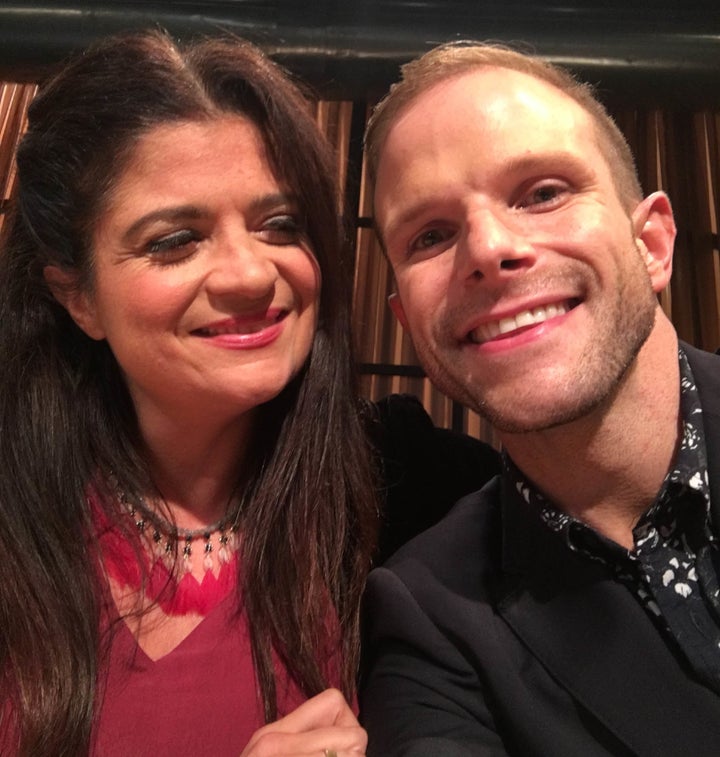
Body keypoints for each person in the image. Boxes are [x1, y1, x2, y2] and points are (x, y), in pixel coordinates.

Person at [0, 31, 500, 756]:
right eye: (175, 240)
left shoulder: (413, 493)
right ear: (77, 297)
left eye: (280, 226)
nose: (249, 273)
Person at [360, 41, 720, 756]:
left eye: (543, 191)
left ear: (651, 241)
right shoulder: (429, 617)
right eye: (431, 234)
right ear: (411, 328)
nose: (489, 249)